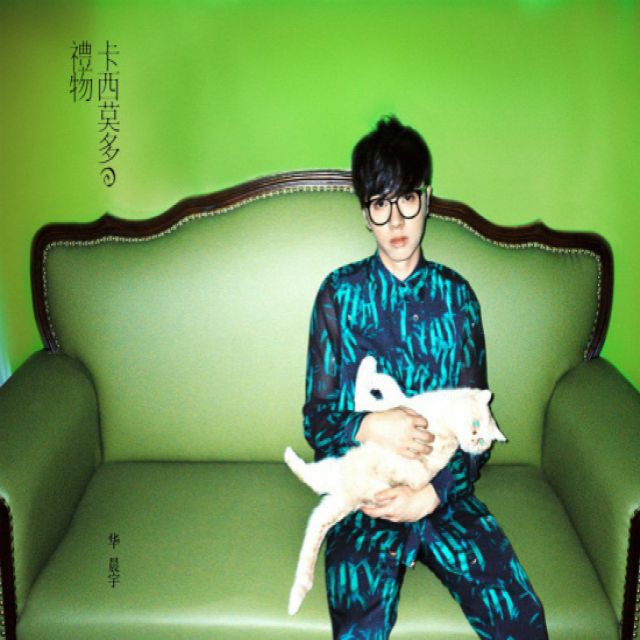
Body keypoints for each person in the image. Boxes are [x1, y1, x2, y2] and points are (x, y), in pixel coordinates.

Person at [302, 116, 548, 639]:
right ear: (365, 214)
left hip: (446, 496)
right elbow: (317, 422)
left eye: (407, 199)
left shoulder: (457, 299)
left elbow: (477, 431)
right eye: (380, 203)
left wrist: (432, 495)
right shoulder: (338, 296)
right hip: (366, 498)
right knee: (359, 629)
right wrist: (370, 425)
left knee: (521, 620)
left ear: (427, 199)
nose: (396, 219)